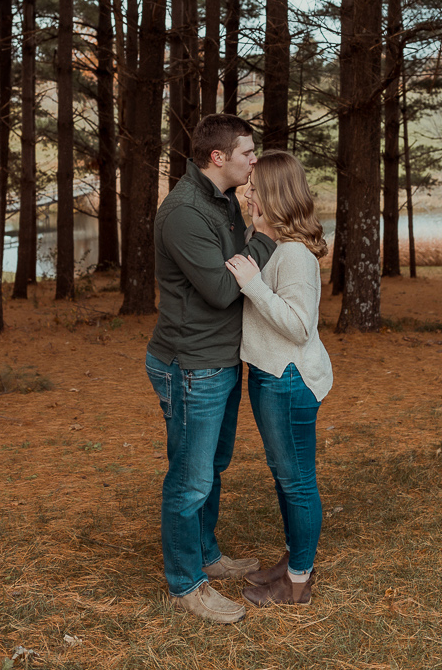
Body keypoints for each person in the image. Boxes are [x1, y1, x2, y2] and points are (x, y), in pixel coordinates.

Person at [145, 113, 276, 624]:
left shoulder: (221, 201)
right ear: (217, 157)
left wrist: (249, 231)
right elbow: (224, 289)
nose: (255, 160)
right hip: (190, 366)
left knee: (211, 469)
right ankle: (186, 585)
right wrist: (262, 234)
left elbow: (235, 264)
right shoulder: (183, 213)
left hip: (221, 360)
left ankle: (205, 553)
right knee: (189, 479)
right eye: (248, 152)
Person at [224, 151, 333, 607]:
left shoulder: (294, 255)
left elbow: (298, 324)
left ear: (275, 194)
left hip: (288, 381)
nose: (248, 194)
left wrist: (253, 285)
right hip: (270, 376)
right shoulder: (272, 243)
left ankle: (298, 582)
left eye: (255, 188)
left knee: (297, 481)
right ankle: (293, 562)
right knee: (284, 476)